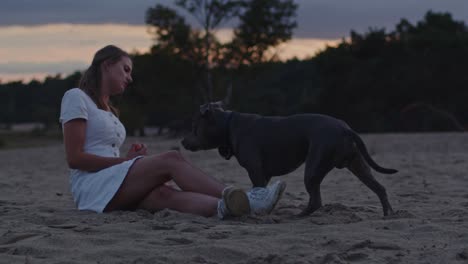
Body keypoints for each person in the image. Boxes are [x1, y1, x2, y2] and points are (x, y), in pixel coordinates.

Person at [59, 45, 286, 219]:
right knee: (171, 159)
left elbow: (104, 154)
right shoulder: (76, 97)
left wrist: (129, 161)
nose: (130, 77)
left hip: (112, 184)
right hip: (92, 187)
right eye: (125, 69)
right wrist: (125, 163)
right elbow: (75, 158)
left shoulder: (110, 111)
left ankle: (231, 208)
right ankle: (250, 198)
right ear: (107, 64)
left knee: (163, 195)